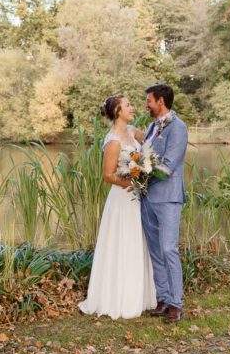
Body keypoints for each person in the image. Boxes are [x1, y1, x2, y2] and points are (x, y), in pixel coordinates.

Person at [77, 94, 157, 319]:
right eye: (128, 105)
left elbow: (152, 143)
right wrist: (131, 181)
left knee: (137, 241)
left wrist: (147, 168)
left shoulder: (132, 132)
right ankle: (117, 297)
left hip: (137, 197)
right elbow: (108, 175)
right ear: (118, 112)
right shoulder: (113, 141)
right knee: (122, 242)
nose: (133, 108)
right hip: (122, 199)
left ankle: (140, 296)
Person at [140, 83, 188, 323]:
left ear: (160, 101)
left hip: (168, 197)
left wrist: (139, 171)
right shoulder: (151, 127)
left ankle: (176, 304)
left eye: (149, 100)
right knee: (156, 251)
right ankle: (163, 299)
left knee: (169, 249)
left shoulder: (178, 128)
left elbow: (168, 166)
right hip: (147, 197)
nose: (146, 104)